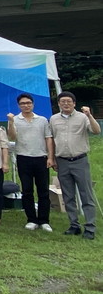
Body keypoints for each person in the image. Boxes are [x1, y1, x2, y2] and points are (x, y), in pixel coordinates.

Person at [48, 91, 100, 240]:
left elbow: (96, 131)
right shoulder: (54, 119)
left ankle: (90, 227)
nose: (66, 104)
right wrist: (52, 158)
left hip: (80, 160)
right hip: (62, 161)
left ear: (74, 103)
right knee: (68, 195)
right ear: (59, 104)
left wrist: (89, 115)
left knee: (86, 195)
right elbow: (51, 139)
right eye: (63, 101)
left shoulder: (82, 117)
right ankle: (74, 225)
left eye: (69, 101)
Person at [7, 93, 54, 232]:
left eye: (28, 103)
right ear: (19, 105)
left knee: (43, 191)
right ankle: (31, 219)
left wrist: (50, 157)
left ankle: (44, 220)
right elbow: (12, 137)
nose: (26, 105)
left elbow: (48, 138)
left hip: (41, 158)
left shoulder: (42, 120)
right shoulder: (15, 120)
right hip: (23, 158)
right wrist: (11, 122)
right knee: (27, 191)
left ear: (33, 104)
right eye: (23, 103)